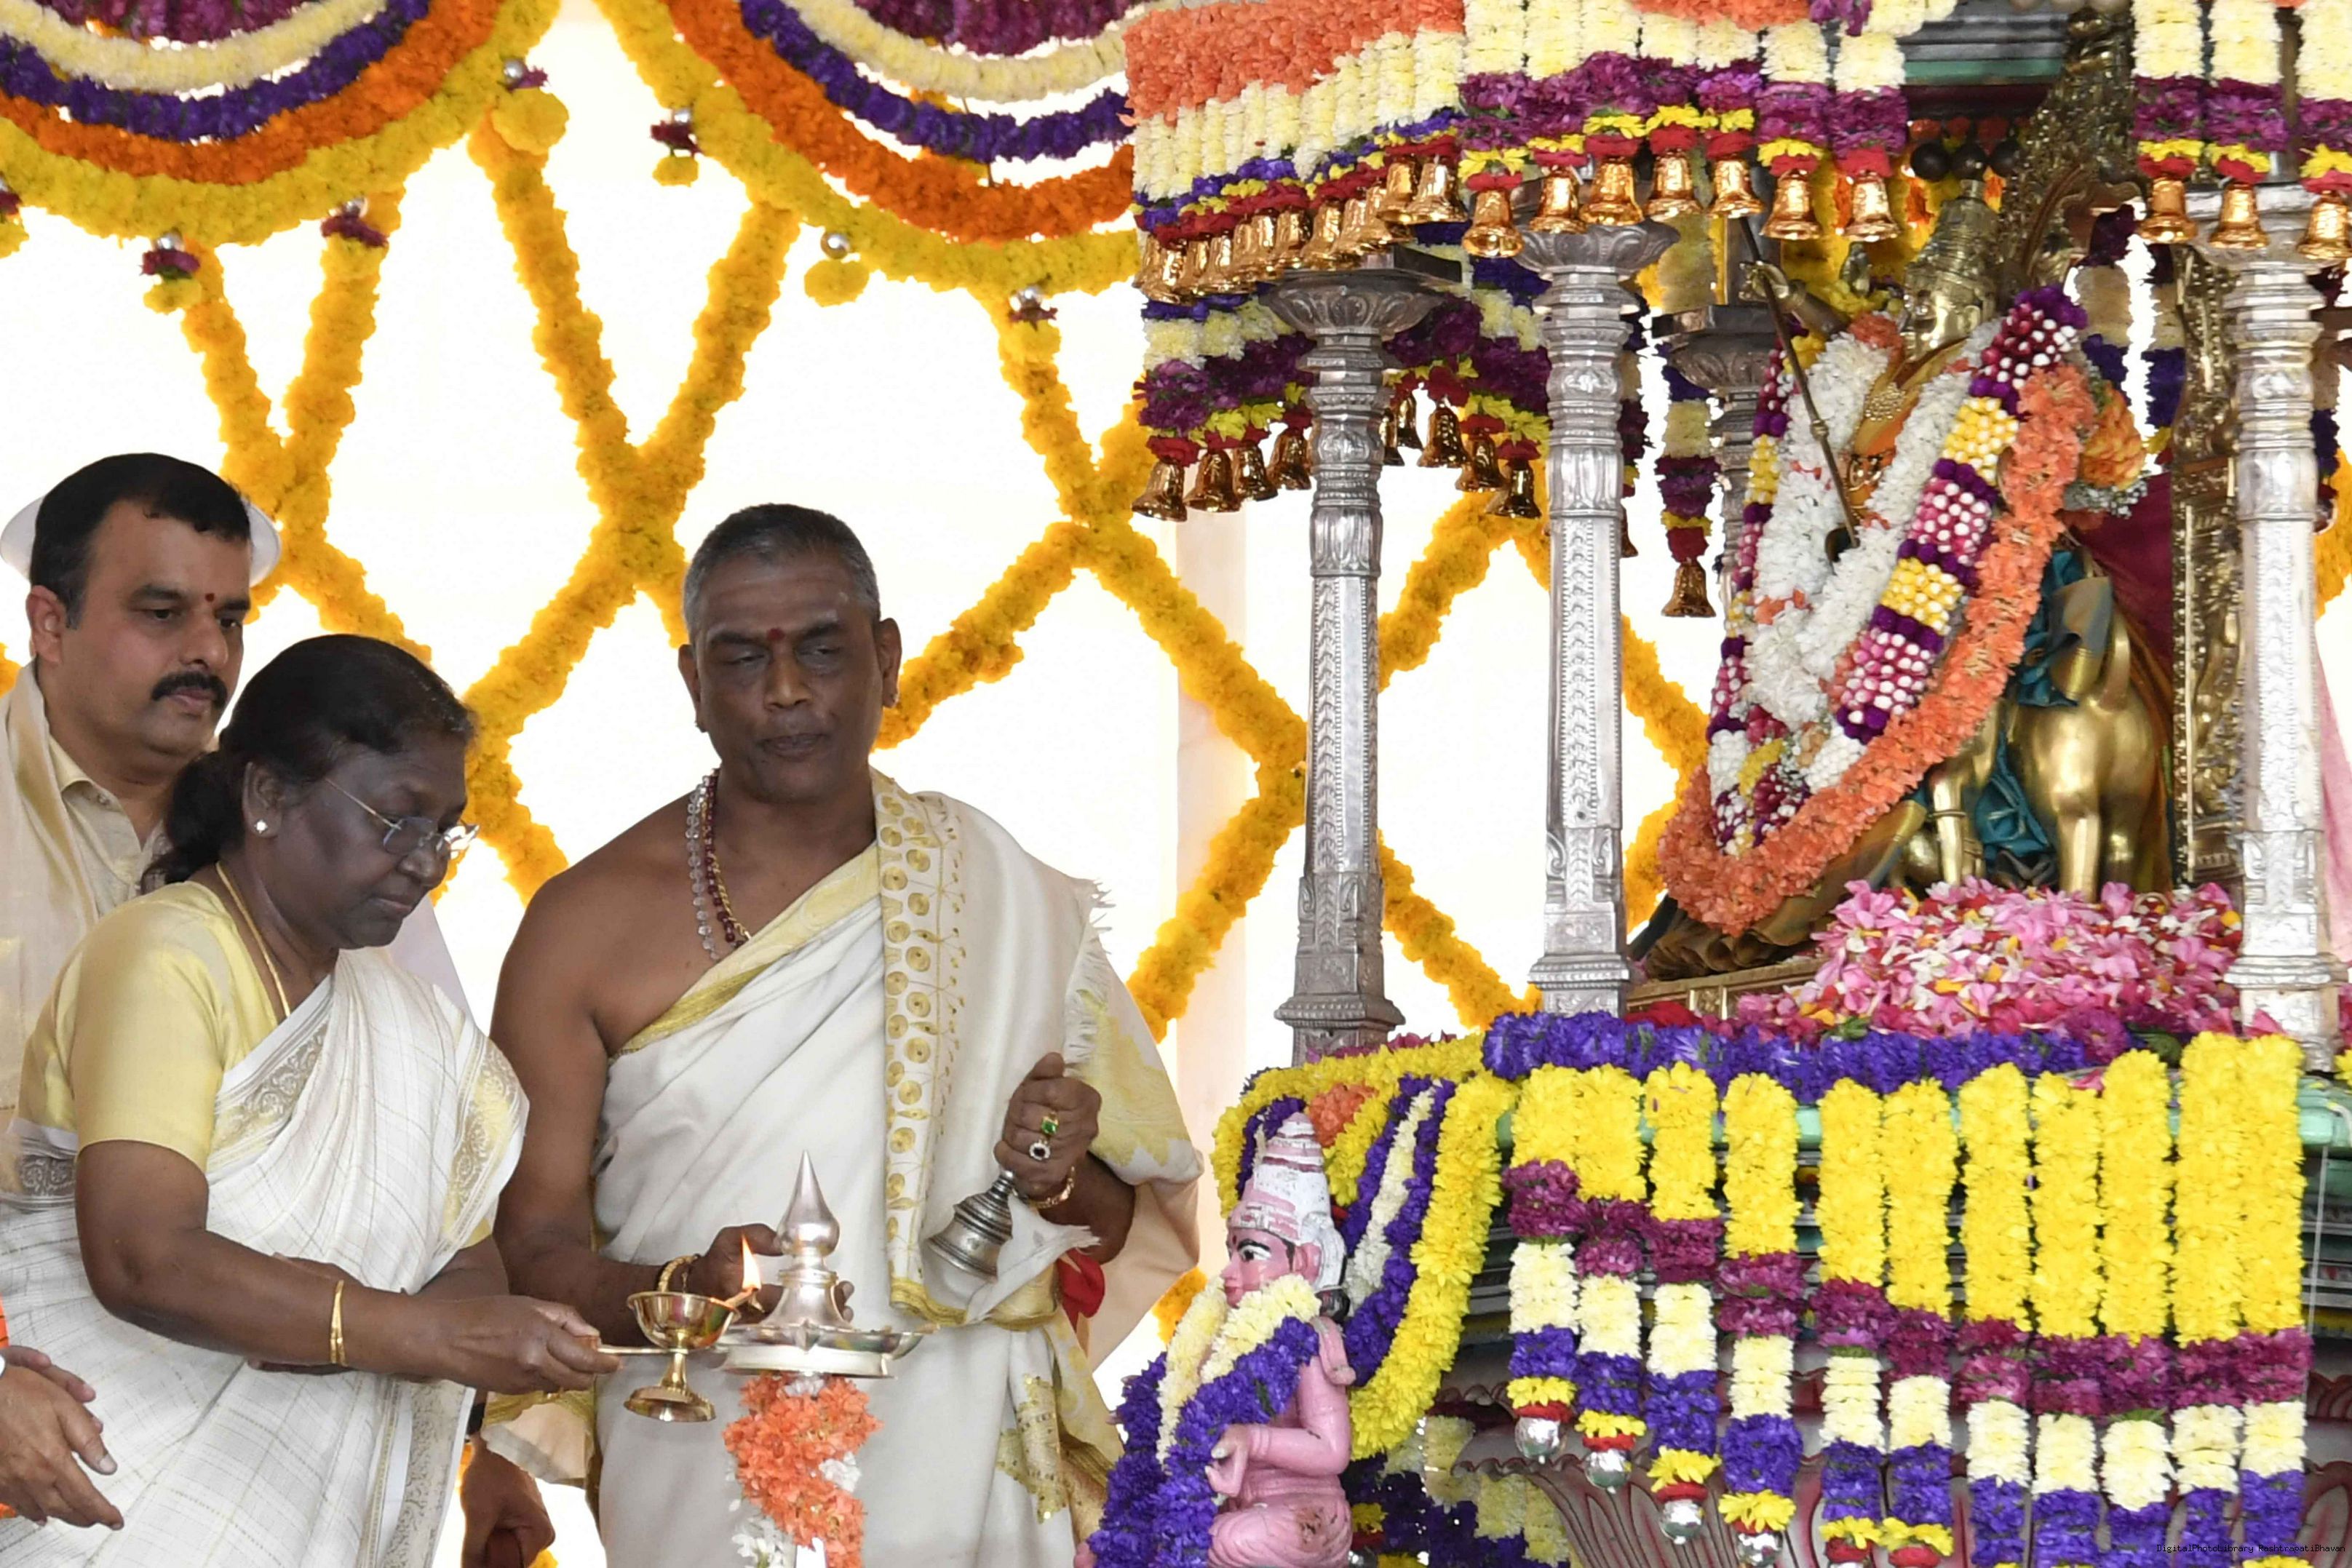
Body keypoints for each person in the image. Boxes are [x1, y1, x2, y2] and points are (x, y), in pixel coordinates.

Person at [484, 505, 1202, 1567]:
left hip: (960, 1448)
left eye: (821, 650)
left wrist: (1053, 1179)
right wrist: (682, 1293)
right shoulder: (579, 928)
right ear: (692, 683)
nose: (785, 691)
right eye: (743, 658)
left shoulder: (1001, 898)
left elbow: (1116, 1228)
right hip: (706, 1455)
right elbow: (528, 1245)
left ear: (887, 659)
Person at [0, 453, 555, 1551]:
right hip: (57, 1424)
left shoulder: (337, 858)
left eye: (229, 618)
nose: (207, 653)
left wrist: (490, 1447)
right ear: (49, 623)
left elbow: (424, 1182)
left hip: (292, 1465)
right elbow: (143, 1256)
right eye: (162, 611)